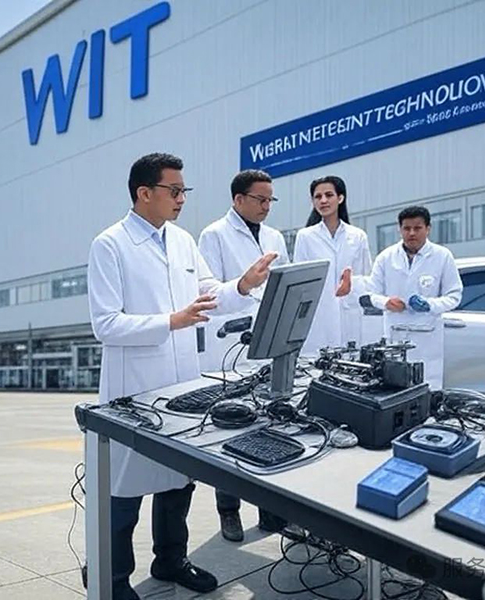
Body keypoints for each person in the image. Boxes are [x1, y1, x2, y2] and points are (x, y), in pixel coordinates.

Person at [87, 153, 277, 600]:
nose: (182, 199)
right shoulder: (110, 244)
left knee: (177, 481)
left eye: (183, 191)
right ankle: (114, 581)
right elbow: (105, 324)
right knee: (124, 491)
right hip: (133, 389)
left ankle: (171, 559)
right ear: (144, 193)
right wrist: (171, 321)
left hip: (181, 387)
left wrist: (243, 285)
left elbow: (208, 292)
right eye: (174, 191)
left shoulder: (183, 240)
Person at [198, 169, 290, 543]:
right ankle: (229, 510)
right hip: (231, 345)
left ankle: (272, 510)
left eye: (270, 200)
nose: (267, 206)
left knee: (272, 425)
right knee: (230, 428)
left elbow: (284, 285)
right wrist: (245, 287)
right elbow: (209, 293)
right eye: (260, 199)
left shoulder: (275, 237)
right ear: (238, 199)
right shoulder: (214, 235)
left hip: (269, 341)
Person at [337, 205, 462, 390]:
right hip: (395, 333)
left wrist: (430, 304)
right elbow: (371, 293)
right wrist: (386, 302)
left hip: (427, 335)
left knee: (428, 385)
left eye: (417, 228)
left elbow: (454, 295)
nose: (412, 233)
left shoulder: (442, 256)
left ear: (428, 228)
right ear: (399, 229)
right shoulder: (386, 257)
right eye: (407, 228)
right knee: (396, 387)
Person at [293, 175, 374, 355]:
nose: (323, 200)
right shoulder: (305, 236)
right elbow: (300, 281)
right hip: (317, 315)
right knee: (316, 362)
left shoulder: (357, 236)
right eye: (318, 197)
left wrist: (351, 285)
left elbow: (367, 278)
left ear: (340, 198)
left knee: (350, 363)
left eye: (329, 195)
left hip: (349, 312)